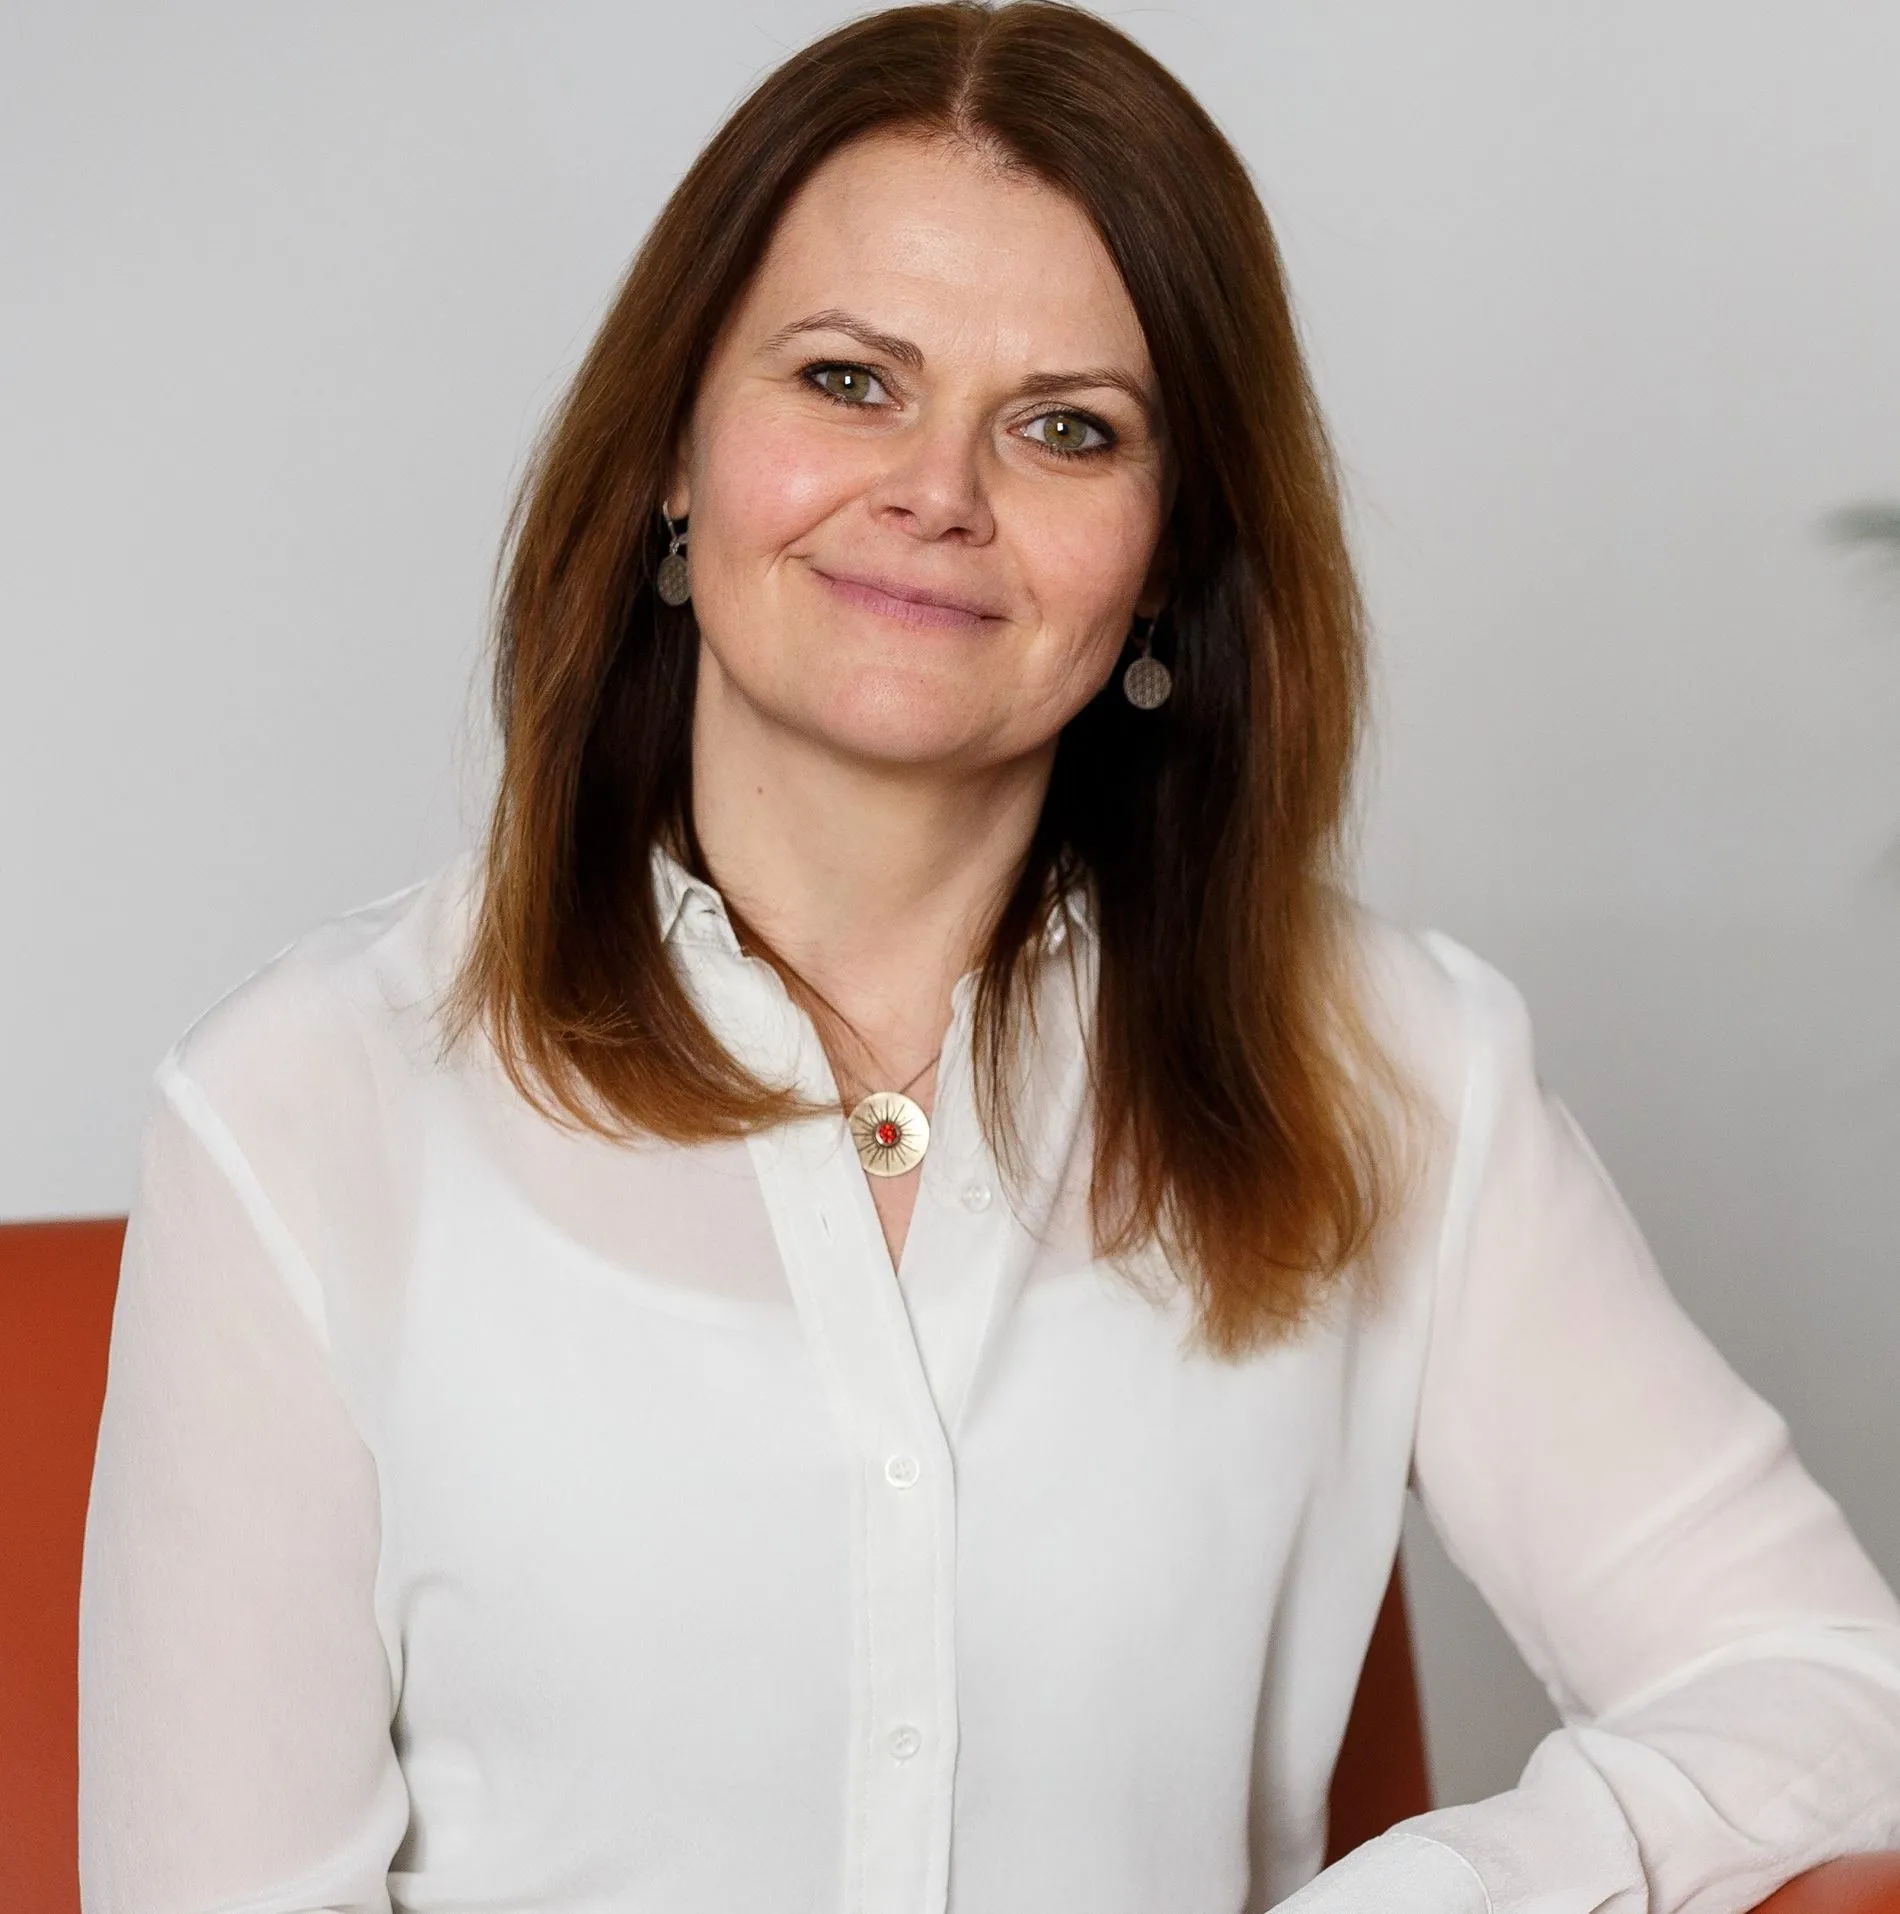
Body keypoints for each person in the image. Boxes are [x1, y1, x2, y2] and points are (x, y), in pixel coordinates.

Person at [77, 5, 1900, 1911]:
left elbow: (1828, 1687)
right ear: (677, 451)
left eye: (1065, 426)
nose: (938, 488)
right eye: (848, 379)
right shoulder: (305, 1102)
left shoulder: (1385, 1060)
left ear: (1170, 551)